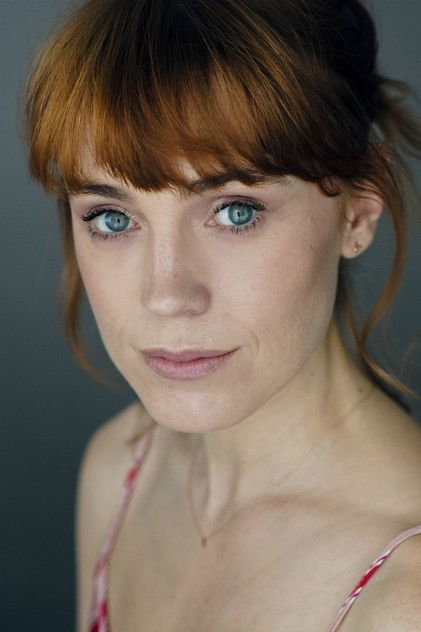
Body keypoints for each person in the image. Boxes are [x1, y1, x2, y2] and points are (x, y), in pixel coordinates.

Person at [23, 0, 421, 630]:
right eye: (113, 217)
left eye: (236, 212)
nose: (167, 294)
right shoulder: (121, 468)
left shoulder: (405, 596)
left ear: (358, 210)